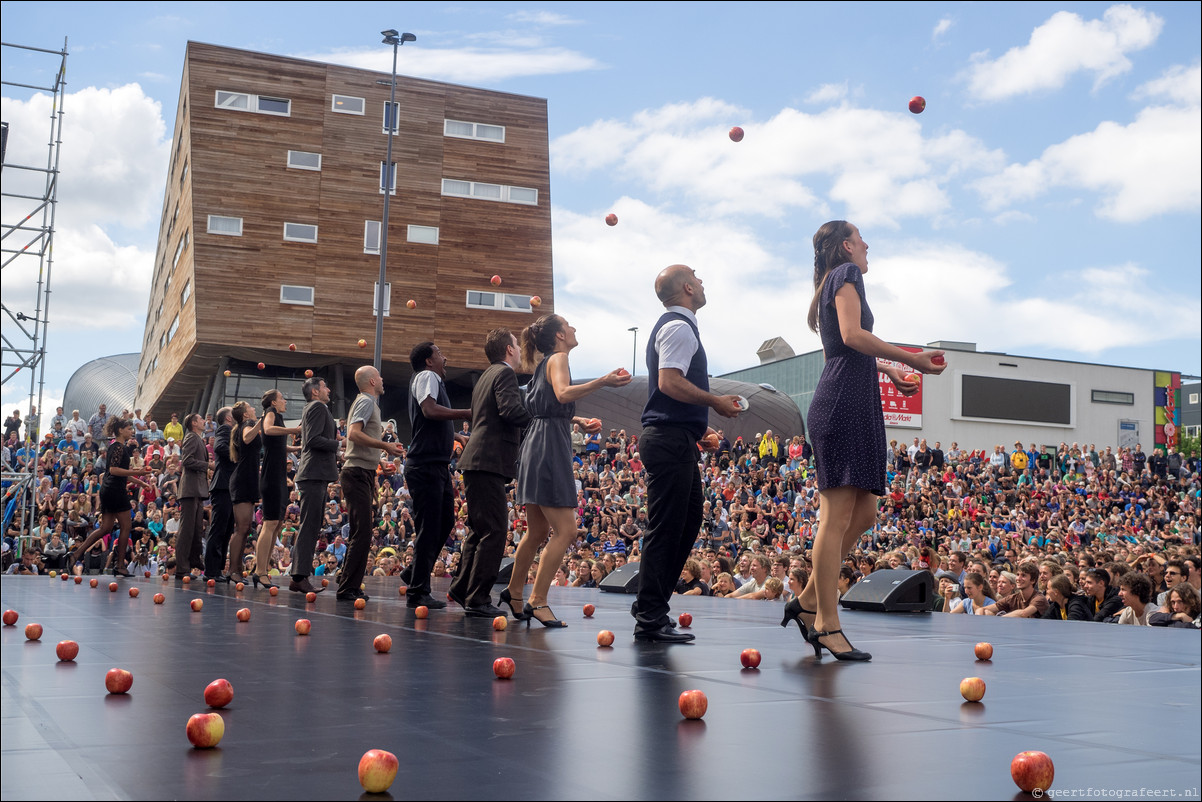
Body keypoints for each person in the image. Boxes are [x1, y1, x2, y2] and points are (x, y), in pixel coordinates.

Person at [785, 221, 944, 661]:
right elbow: (853, 337)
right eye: (861, 239)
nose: (868, 246)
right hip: (843, 404)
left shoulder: (831, 283)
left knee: (866, 513)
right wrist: (912, 358)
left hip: (850, 398)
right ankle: (826, 624)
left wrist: (888, 370)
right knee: (834, 517)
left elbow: (843, 350)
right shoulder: (846, 275)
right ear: (845, 246)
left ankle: (809, 601)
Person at [631, 264, 741, 643]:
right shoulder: (679, 327)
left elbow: (668, 390)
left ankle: (652, 602)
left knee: (688, 520)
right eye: (699, 277)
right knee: (667, 528)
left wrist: (699, 426)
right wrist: (715, 402)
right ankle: (649, 615)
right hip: (668, 440)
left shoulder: (677, 327)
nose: (704, 281)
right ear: (689, 288)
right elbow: (669, 382)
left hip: (676, 437)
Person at [506, 315, 628, 627]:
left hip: (537, 442)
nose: (575, 329)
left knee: (536, 532)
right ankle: (538, 600)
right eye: (570, 325)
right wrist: (603, 381)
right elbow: (561, 394)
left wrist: (576, 420)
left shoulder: (543, 363)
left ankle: (515, 592)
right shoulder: (560, 358)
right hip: (549, 447)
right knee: (567, 531)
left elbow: (546, 405)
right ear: (560, 334)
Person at [448, 329, 532, 617]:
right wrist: (539, 419)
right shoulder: (505, 374)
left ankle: (462, 588)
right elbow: (510, 411)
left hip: (479, 460)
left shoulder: (486, 375)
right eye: (517, 346)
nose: (520, 350)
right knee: (495, 530)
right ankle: (478, 597)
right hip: (488, 460)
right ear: (509, 350)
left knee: (480, 529)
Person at [399, 343, 471, 610]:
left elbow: (425, 420)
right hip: (425, 464)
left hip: (436, 464)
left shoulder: (428, 379)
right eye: (440, 353)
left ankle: (414, 571)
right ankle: (417, 591)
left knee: (445, 521)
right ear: (429, 361)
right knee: (430, 526)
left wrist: (455, 434)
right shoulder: (428, 377)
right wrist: (466, 413)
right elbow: (429, 411)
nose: (445, 357)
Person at [341, 365, 403, 602]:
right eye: (379, 376)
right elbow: (353, 434)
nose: (383, 378)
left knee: (361, 530)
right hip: (356, 472)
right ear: (372, 382)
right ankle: (348, 587)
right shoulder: (366, 402)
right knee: (363, 531)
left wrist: (379, 461)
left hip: (363, 471)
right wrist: (385, 446)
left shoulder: (367, 403)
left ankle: (346, 581)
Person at [68, 417, 152, 577]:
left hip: (110, 489)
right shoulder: (119, 447)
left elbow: (119, 473)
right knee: (126, 527)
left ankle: (76, 554)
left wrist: (140, 483)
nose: (131, 432)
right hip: (115, 490)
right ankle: (120, 565)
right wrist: (138, 472)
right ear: (120, 430)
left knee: (105, 528)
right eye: (128, 429)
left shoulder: (117, 447)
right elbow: (113, 470)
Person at [292, 377, 338, 595]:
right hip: (313, 473)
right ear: (315, 391)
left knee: (311, 525)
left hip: (316, 473)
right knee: (309, 526)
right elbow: (312, 440)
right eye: (325, 386)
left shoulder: (315, 408)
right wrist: (339, 443)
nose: (329, 389)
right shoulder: (318, 407)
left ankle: (299, 576)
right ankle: (299, 576)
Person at [227, 401, 264, 584]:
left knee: (246, 528)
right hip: (242, 481)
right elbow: (248, 438)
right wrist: (261, 422)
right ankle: (233, 569)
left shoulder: (244, 425)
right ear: (245, 415)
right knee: (241, 528)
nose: (254, 409)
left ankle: (238, 568)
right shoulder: (247, 425)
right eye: (251, 408)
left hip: (247, 480)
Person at [203, 407, 236, 582]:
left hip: (229, 487)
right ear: (229, 418)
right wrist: (239, 454)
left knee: (227, 528)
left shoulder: (232, 430)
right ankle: (211, 570)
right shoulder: (224, 429)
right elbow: (221, 447)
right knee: (219, 528)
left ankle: (218, 569)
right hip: (223, 486)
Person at [174, 413, 209, 578]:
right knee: (187, 530)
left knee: (195, 529)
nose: (204, 421)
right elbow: (187, 461)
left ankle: (194, 560)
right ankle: (182, 567)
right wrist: (209, 465)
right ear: (194, 423)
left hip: (197, 490)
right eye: (201, 419)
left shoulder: (198, 439)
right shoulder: (191, 438)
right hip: (190, 489)